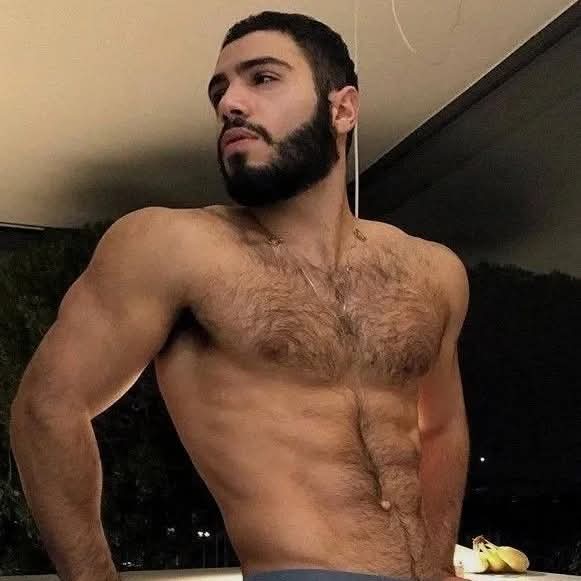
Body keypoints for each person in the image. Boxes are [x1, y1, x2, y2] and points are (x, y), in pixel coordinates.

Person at [9, 11, 470, 581]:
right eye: (219, 91)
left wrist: (438, 563)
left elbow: (442, 428)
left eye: (263, 78)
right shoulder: (172, 246)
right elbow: (47, 406)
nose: (230, 103)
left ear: (343, 109)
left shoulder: (433, 272)